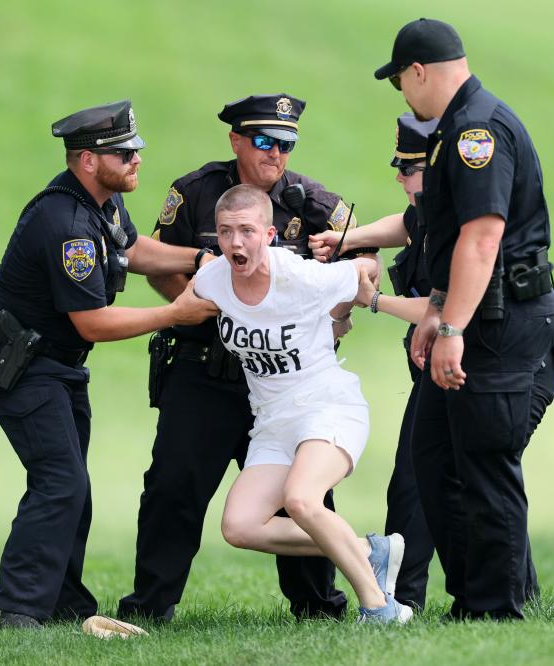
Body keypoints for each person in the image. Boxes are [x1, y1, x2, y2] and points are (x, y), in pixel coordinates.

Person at [0, 100, 219, 630]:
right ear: (87, 160)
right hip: (23, 367)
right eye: (123, 153)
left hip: (54, 366)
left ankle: (62, 602)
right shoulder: (67, 225)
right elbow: (93, 322)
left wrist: (196, 258)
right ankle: (16, 611)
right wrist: (175, 313)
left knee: (71, 483)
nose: (136, 161)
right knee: (60, 481)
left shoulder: (102, 204)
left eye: (136, 150)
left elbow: (134, 250)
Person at [118, 94, 361, 622]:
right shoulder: (197, 191)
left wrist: (336, 318)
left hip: (283, 384)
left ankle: (320, 609)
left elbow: (364, 262)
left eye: (287, 143)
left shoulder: (313, 202)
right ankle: (149, 608)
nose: (277, 153)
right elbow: (157, 264)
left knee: (299, 497)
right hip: (205, 369)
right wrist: (203, 307)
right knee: (172, 484)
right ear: (236, 141)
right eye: (266, 141)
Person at [374, 19, 554, 620]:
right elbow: (445, 234)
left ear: (419, 72)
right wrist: (435, 309)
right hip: (473, 314)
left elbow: (482, 240)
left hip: (502, 323)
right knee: (434, 456)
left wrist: (451, 328)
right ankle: (474, 595)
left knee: (483, 462)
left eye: (401, 82)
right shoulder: (453, 128)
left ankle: (497, 606)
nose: (403, 95)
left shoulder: (474, 130)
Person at [194, 184, 412, 624]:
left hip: (326, 406)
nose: (236, 243)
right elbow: (189, 296)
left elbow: (363, 271)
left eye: (247, 231)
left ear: (270, 233)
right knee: (240, 526)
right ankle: (371, 550)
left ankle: (381, 607)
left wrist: (339, 316)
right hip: (272, 422)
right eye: (225, 232)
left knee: (302, 500)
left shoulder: (302, 275)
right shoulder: (211, 280)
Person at [307, 113, 444, 611]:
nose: (399, 177)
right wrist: (347, 238)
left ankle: (404, 595)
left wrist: (372, 301)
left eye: (408, 169)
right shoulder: (430, 208)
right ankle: (407, 594)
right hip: (438, 371)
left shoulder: (455, 216)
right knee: (430, 480)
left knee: (434, 481)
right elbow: (406, 225)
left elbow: (437, 307)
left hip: (468, 367)